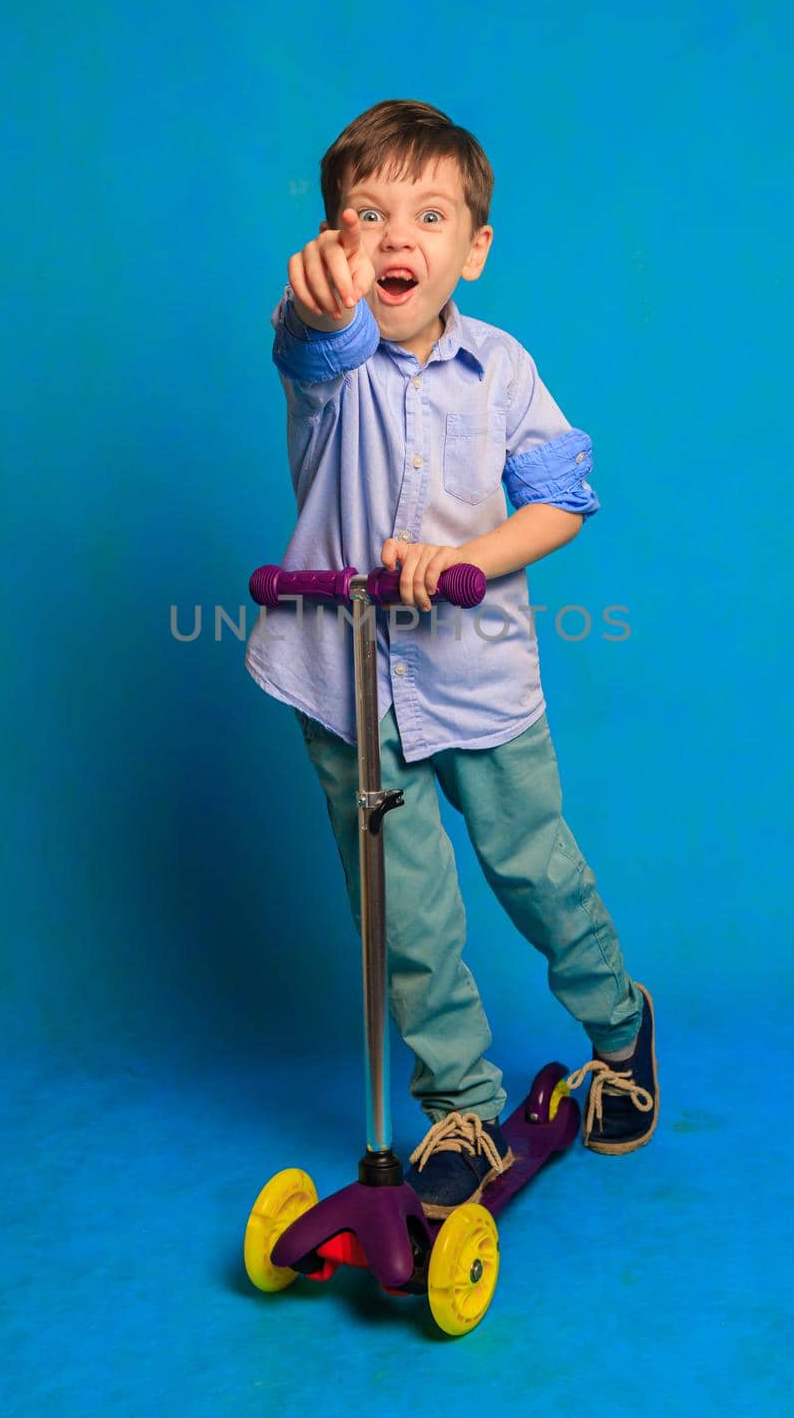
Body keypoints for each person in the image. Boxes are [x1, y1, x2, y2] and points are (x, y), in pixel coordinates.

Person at [244, 99, 657, 1219]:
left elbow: (560, 499)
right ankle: (458, 1105)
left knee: (534, 872)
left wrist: (463, 557)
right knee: (406, 912)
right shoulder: (328, 361)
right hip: (341, 679)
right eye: (365, 215)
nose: (395, 239)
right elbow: (309, 337)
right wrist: (313, 308)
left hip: (475, 676)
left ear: (471, 247)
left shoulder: (504, 368)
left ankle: (619, 1028)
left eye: (428, 215)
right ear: (334, 243)